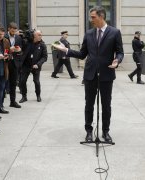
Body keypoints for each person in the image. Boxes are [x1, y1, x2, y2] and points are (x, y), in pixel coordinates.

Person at [52, 6, 124, 142]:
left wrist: (117, 60)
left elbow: (120, 52)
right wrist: (66, 50)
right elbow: (82, 54)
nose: (91, 20)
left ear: (101, 16)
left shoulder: (115, 32)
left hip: (107, 74)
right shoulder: (89, 33)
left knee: (106, 105)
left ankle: (105, 132)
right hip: (90, 74)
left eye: (93, 17)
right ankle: (89, 131)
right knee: (89, 104)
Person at [19, 30, 47, 103]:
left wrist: (38, 64)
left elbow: (44, 57)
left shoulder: (42, 45)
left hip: (36, 65)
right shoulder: (27, 43)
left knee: (36, 81)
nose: (41, 36)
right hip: (26, 65)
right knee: (22, 81)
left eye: (41, 35)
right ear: (34, 36)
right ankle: (24, 96)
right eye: (39, 35)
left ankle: (38, 95)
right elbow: (21, 46)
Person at [5, 22, 22, 108]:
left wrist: (19, 50)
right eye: (12, 31)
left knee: (13, 83)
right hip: (5, 62)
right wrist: (8, 50)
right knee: (4, 82)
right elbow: (1, 49)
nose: (14, 32)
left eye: (15, 31)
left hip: (14, 62)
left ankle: (13, 101)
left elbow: (21, 49)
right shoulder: (4, 36)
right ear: (9, 29)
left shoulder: (18, 38)